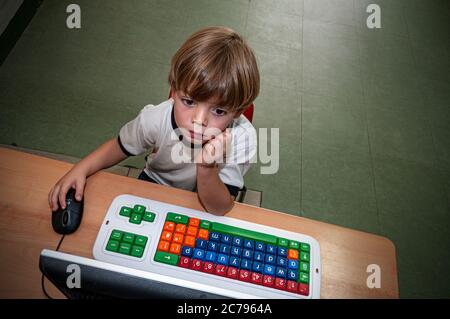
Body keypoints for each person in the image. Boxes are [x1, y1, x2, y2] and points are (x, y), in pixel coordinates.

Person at [48, 26, 260, 215]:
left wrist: (206, 167)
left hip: (211, 196)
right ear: (174, 90)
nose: (199, 120)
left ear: (238, 112)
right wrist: (81, 169)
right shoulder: (156, 117)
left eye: (219, 111)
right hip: (156, 182)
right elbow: (119, 146)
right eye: (188, 101)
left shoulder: (242, 138)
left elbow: (220, 207)